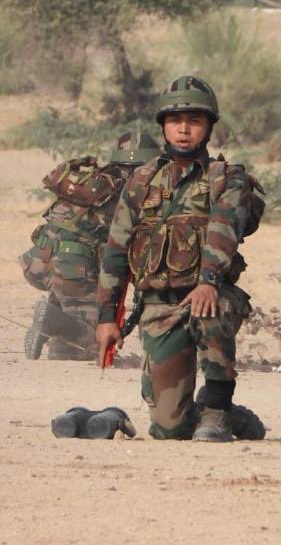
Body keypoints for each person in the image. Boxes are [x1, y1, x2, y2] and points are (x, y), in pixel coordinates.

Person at [96, 76, 264, 441]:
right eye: (176, 121)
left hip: (210, 296)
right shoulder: (141, 181)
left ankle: (218, 408)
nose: (184, 129)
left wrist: (209, 282)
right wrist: (108, 317)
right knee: (168, 429)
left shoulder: (226, 178)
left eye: (194, 121)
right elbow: (116, 251)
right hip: (159, 307)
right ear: (164, 127)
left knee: (210, 307)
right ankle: (227, 416)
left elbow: (224, 231)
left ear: (208, 128)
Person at [20, 131, 161, 360]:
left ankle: (61, 339)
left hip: (37, 261)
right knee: (97, 342)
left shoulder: (97, 182)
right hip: (71, 270)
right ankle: (50, 321)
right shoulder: (131, 191)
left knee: (70, 349)